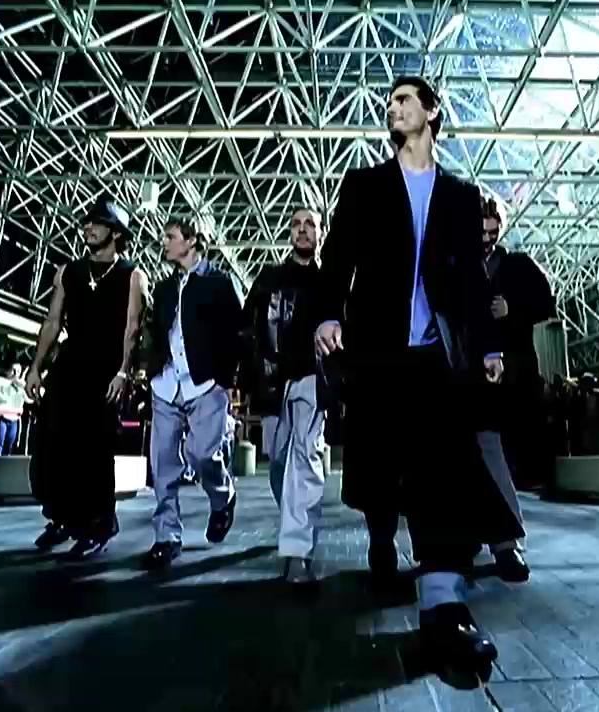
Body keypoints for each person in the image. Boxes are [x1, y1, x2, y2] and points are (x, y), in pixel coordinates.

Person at [314, 76, 523, 679]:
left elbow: (473, 280)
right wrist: (328, 314)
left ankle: (443, 606)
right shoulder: (365, 185)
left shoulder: (459, 195)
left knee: (443, 474)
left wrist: (487, 345)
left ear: (431, 111)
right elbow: (337, 258)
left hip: (436, 357)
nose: (393, 107)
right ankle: (382, 544)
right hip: (379, 353)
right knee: (380, 464)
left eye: (404, 99)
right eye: (390, 102)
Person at [25, 196, 149, 557]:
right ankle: (62, 517)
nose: (88, 228)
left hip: (106, 369)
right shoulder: (67, 272)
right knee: (53, 442)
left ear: (115, 232)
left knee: (95, 449)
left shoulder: (132, 275)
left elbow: (133, 329)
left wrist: (123, 371)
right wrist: (36, 366)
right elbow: (53, 321)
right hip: (69, 364)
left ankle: (99, 524)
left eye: (97, 224)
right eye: (86, 223)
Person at [141, 220, 244, 571]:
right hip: (166, 385)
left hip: (206, 384)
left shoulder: (219, 283)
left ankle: (222, 496)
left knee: (201, 455)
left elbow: (236, 334)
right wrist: (149, 368)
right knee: (163, 465)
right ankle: (166, 536)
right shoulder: (164, 288)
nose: (164, 242)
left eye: (170, 237)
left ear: (192, 241)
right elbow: (156, 332)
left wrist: (226, 380)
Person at [243, 206, 327, 585]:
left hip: (313, 379)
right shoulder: (268, 280)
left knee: (305, 460)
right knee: (278, 462)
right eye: (296, 224)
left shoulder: (331, 281)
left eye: (310, 224)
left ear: (321, 232)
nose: (302, 230)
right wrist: (248, 379)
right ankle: (294, 521)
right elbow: (249, 331)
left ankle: (298, 551)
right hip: (273, 382)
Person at [479, 196, 554, 581]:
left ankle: (506, 541)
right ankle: (498, 539)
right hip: (472, 377)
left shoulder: (518, 266)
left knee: (497, 454)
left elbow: (546, 303)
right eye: (481, 232)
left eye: (493, 232)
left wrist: (513, 309)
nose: (487, 239)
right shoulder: (457, 265)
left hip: (512, 377)